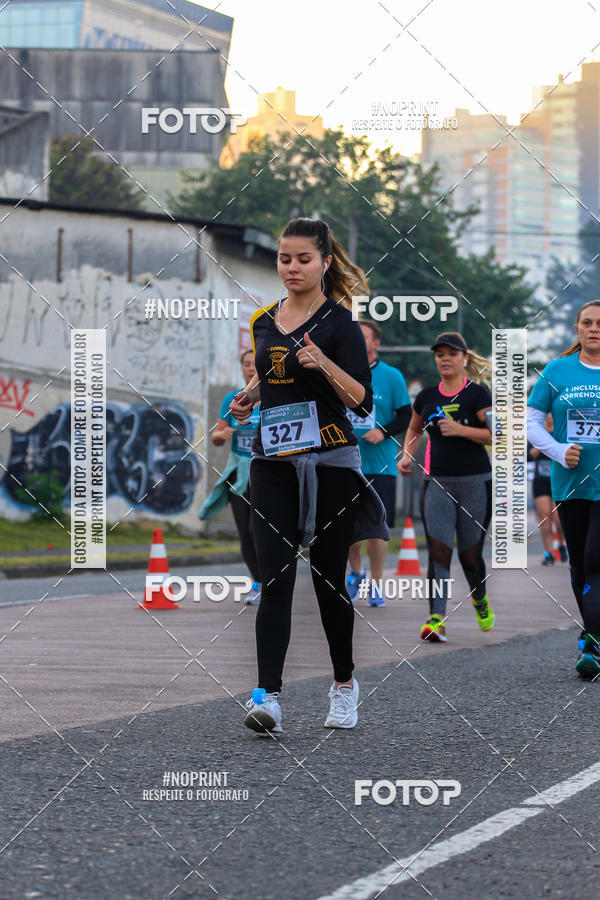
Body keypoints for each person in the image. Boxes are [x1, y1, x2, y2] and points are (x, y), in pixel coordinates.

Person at [230, 217, 390, 734]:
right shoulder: (263, 321)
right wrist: (248, 397)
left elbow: (359, 399)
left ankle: (344, 685)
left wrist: (322, 362)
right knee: (274, 579)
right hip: (271, 461)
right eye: (284, 258)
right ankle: (267, 696)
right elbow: (273, 377)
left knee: (327, 581)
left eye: (303, 259)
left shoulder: (341, 325)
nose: (292, 268)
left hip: (331, 461)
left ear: (324, 262)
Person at [398, 332, 494, 642]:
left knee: (469, 555)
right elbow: (414, 429)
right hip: (436, 480)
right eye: (440, 354)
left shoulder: (477, 394)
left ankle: (479, 599)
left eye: (451, 353)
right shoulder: (426, 397)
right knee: (439, 550)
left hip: (475, 482)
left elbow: (497, 435)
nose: (445, 359)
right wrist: (406, 455)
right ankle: (436, 617)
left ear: (464, 358)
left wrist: (460, 429)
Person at [527, 300, 600, 678]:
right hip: (570, 483)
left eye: (599, 323)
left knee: (594, 558)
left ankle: (594, 643)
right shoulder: (558, 371)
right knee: (577, 566)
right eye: (586, 322)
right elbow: (531, 421)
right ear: (577, 328)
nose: (593, 329)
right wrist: (557, 451)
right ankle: (591, 633)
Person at [346, 320, 411, 606]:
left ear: (376, 344)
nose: (358, 342)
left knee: (376, 528)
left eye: (364, 337)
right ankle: (356, 572)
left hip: (381, 465)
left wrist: (383, 432)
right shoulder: (340, 373)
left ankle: (376, 583)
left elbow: (407, 415)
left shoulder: (391, 376)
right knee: (345, 526)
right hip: (345, 462)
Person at [198, 349, 261, 605]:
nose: (250, 368)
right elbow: (216, 435)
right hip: (239, 473)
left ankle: (272, 580)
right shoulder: (231, 399)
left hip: (267, 471)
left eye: (255, 364)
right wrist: (221, 436)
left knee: (259, 531)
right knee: (245, 532)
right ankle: (258, 582)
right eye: (246, 364)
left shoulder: (275, 397)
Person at [527, 413, 568, 566]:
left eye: (552, 414)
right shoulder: (536, 434)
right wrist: (542, 443)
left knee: (559, 520)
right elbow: (528, 456)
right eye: (547, 415)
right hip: (541, 482)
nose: (549, 417)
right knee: (545, 519)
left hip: (559, 481)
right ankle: (549, 553)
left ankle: (562, 545)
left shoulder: (561, 432)